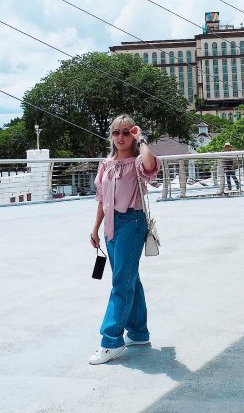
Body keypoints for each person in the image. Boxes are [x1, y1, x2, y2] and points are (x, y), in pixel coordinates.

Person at [88, 113, 160, 365]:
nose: (120, 137)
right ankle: (139, 333)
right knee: (130, 278)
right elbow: (101, 198)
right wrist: (95, 228)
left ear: (133, 134)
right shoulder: (106, 164)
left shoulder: (138, 161)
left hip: (132, 223)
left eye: (126, 132)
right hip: (110, 226)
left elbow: (151, 166)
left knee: (121, 283)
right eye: (116, 132)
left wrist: (142, 139)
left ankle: (111, 341)